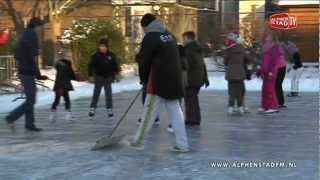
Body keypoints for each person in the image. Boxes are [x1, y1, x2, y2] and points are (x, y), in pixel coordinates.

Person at [130, 14, 189, 152]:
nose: (143, 30)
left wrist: (143, 80)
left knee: (148, 113)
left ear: (146, 26)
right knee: (176, 113)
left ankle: (138, 141)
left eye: (143, 27)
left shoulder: (150, 37)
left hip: (158, 81)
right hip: (174, 80)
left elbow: (144, 61)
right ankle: (182, 144)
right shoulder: (169, 35)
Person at [5, 17, 48, 131]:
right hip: (26, 71)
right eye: (40, 27)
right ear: (37, 26)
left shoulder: (26, 35)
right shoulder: (31, 36)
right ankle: (11, 117)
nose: (41, 29)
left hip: (25, 70)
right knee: (31, 100)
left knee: (30, 98)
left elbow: (20, 55)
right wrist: (38, 74)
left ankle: (29, 124)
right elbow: (30, 57)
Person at [88, 37, 120, 118]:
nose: (102, 48)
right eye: (101, 46)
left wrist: (116, 74)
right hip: (99, 76)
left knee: (108, 94)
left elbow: (115, 65)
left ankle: (109, 109)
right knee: (96, 93)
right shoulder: (95, 55)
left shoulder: (111, 55)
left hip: (108, 77)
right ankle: (92, 108)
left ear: (107, 47)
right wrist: (90, 75)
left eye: (104, 46)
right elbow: (90, 66)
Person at [181, 31, 209, 124]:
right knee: (193, 99)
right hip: (198, 78)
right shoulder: (198, 48)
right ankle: (195, 118)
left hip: (190, 78)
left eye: (184, 38)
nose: (183, 41)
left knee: (190, 99)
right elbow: (203, 64)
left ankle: (191, 119)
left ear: (189, 38)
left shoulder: (188, 49)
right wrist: (205, 78)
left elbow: (186, 65)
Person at [257, 32, 284, 114]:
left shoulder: (274, 48)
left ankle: (273, 106)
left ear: (272, 38)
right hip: (265, 72)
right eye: (266, 37)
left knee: (270, 90)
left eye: (268, 37)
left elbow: (274, 62)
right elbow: (265, 62)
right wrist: (260, 71)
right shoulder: (266, 47)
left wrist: (271, 71)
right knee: (264, 90)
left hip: (270, 73)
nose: (266, 38)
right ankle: (265, 106)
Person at [224, 33, 250, 115]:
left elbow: (225, 61)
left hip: (231, 73)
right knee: (240, 91)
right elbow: (247, 59)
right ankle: (240, 107)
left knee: (231, 91)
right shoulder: (242, 49)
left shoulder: (228, 50)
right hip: (240, 72)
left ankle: (231, 108)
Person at [49, 52, 77, 122]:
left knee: (57, 100)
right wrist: (74, 77)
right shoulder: (65, 64)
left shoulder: (59, 64)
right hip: (63, 84)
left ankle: (53, 114)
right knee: (66, 100)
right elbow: (70, 73)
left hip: (59, 84)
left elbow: (68, 73)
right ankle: (67, 114)